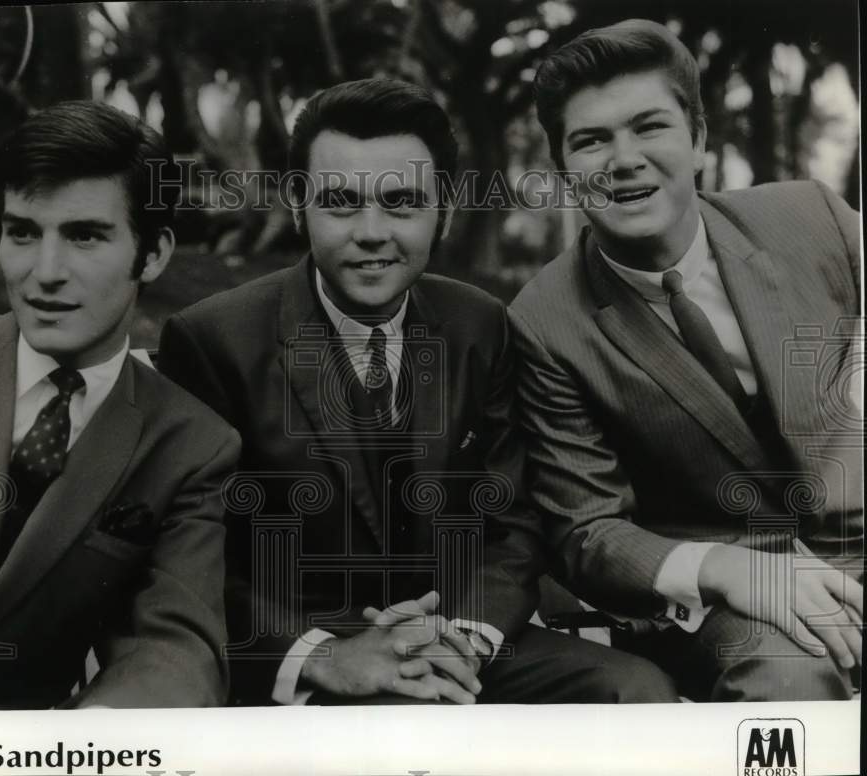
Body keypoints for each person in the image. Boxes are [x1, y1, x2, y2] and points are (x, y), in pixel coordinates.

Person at [159, 78, 678, 706]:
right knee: (396, 726)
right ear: (298, 205)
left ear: (445, 210)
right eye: (341, 202)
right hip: (307, 658)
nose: (372, 232)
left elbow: (514, 520)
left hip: (455, 640)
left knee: (634, 692)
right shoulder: (213, 340)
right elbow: (192, 556)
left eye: (402, 202)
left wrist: (462, 637)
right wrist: (324, 655)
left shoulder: (478, 324)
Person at [510, 19, 863, 701]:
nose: (623, 159)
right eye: (591, 140)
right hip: (728, 598)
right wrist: (731, 570)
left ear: (698, 140)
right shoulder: (544, 321)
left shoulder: (812, 217)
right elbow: (587, 530)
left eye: (649, 127)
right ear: (562, 170)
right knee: (788, 684)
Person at [0, 101, 240, 709]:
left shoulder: (191, 445)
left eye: (84, 236)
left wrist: (80, 744)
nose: (44, 273)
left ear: (153, 254)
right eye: (22, 232)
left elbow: (174, 651)